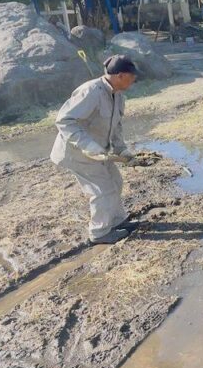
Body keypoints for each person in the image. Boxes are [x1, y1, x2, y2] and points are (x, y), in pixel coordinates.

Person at [50, 55, 140, 244]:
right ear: (121, 75)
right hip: (77, 152)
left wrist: (122, 150)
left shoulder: (118, 94)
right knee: (102, 190)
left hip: (99, 152)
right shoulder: (91, 91)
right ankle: (99, 233)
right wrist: (89, 147)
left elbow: (116, 126)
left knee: (115, 181)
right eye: (132, 77)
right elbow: (64, 120)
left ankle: (115, 221)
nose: (134, 80)